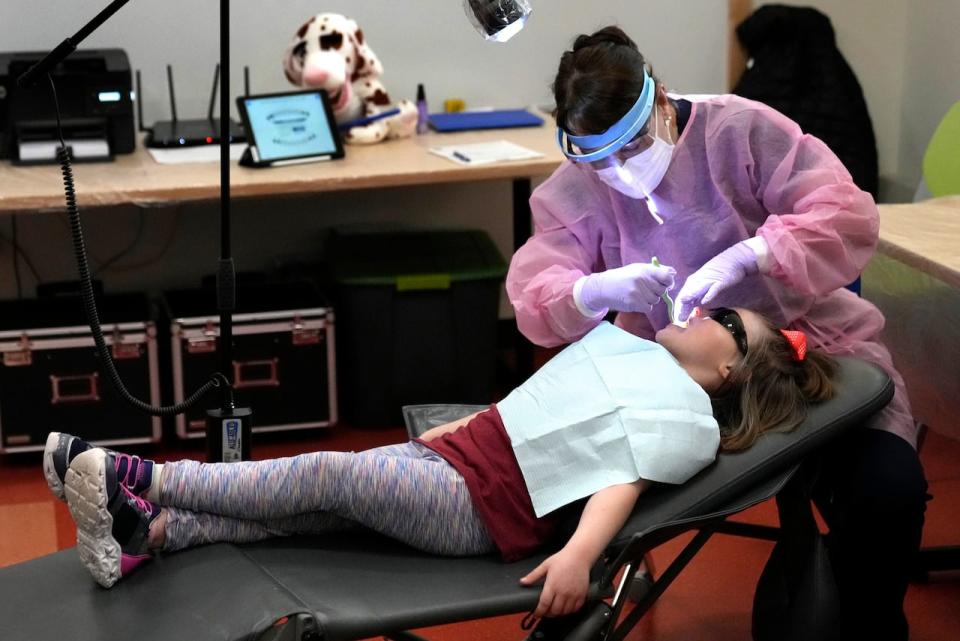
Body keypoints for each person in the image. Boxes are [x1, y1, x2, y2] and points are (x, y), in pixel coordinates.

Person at [506, 25, 927, 639]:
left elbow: (846, 216)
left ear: (662, 101)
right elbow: (537, 293)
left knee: (887, 491)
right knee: (570, 502)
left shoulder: (741, 132)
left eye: (629, 149)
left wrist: (753, 255)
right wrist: (591, 291)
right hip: (673, 382)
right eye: (599, 162)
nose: (620, 174)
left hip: (806, 352)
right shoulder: (583, 185)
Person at [49, 307, 833, 620]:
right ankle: (152, 530)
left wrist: (580, 558)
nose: (706, 308)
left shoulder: (689, 418)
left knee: (328, 475)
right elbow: (551, 406)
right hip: (467, 456)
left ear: (731, 369)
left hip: (479, 507)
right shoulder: (641, 356)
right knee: (314, 509)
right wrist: (476, 420)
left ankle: (141, 477)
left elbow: (621, 476)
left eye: (728, 320)